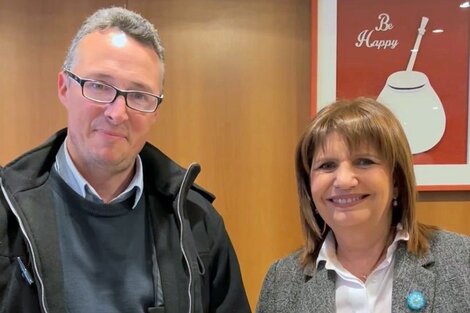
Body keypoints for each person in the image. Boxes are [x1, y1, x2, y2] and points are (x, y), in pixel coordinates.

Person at [0, 7, 250, 313]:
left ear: (155, 111)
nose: (117, 113)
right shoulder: (5, 216)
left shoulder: (197, 223)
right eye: (99, 86)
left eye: (140, 95)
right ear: (64, 87)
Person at [256, 97, 470, 313]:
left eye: (364, 161)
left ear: (396, 180)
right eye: (327, 165)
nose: (344, 180)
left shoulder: (461, 261)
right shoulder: (281, 282)